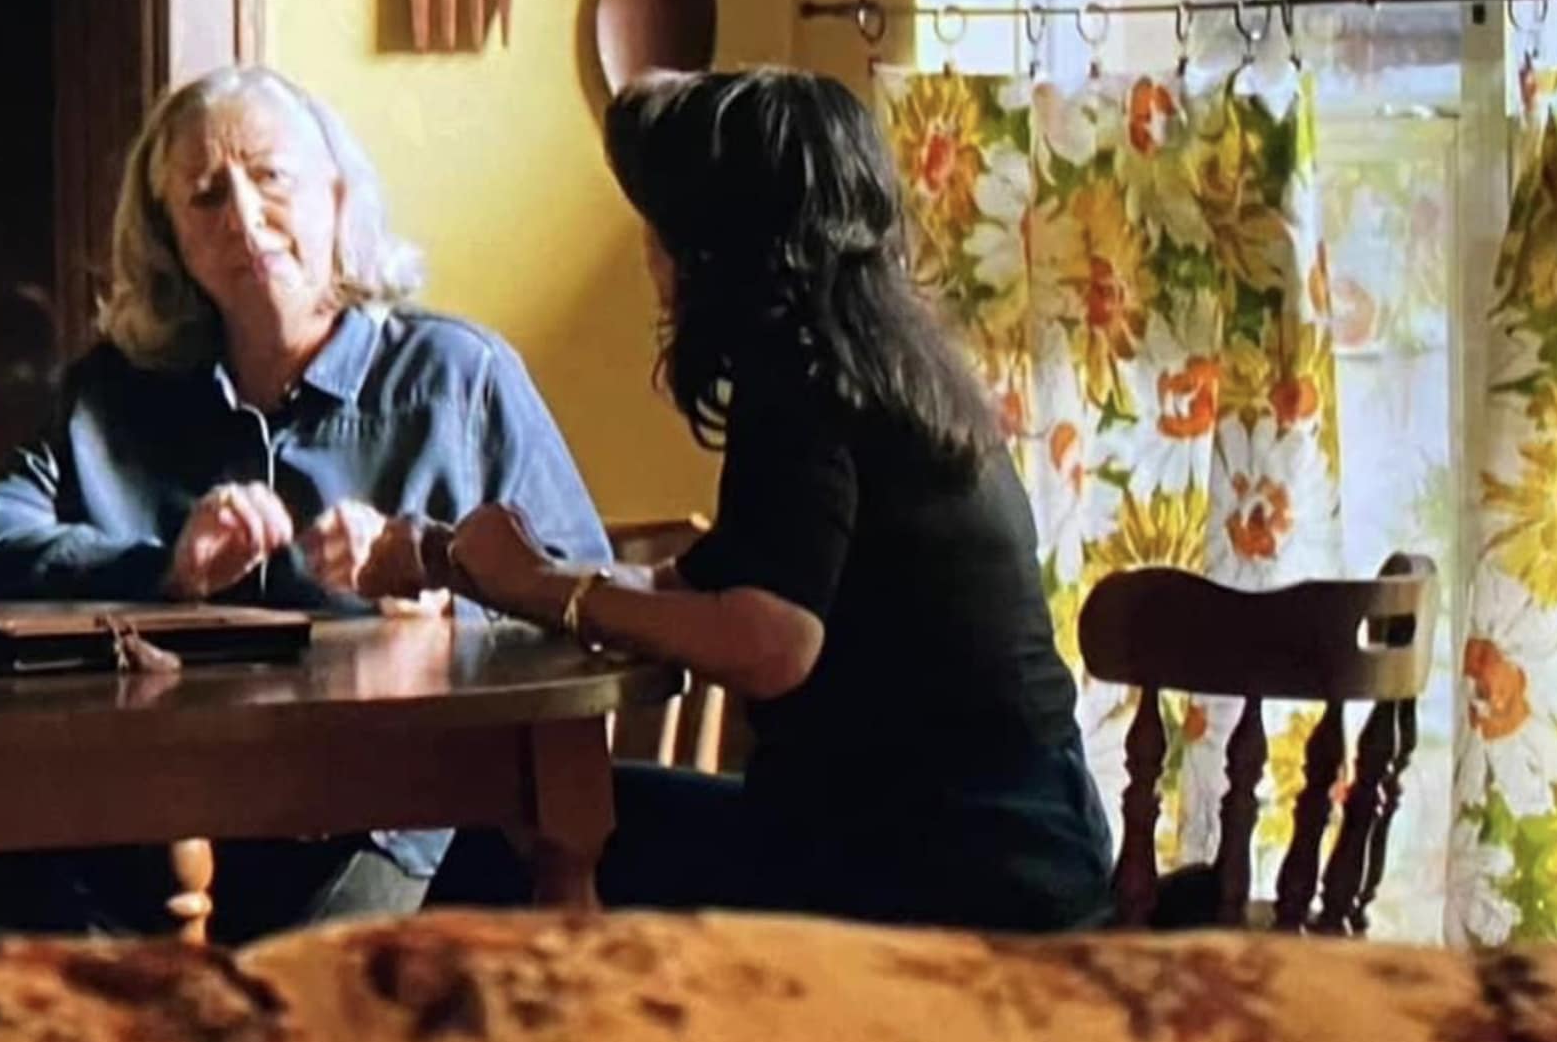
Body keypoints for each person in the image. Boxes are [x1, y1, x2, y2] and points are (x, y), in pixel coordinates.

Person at [0, 63, 611, 976]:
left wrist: (447, 600)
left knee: (259, 1003)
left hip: (395, 824)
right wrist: (164, 567)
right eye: (205, 196)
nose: (243, 216)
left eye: (270, 177)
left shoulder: (459, 378)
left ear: (335, 196)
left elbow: (593, 603)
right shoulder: (118, 391)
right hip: (132, 826)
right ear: (170, 241)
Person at [406, 68, 1118, 933]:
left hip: (948, 861)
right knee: (557, 819)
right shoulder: (886, 364)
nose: (649, 251)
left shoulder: (802, 379)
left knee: (522, 838)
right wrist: (504, 572)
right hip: (1022, 839)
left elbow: (771, 640)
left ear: (718, 246)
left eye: (662, 226)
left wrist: (550, 591)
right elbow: (696, 589)